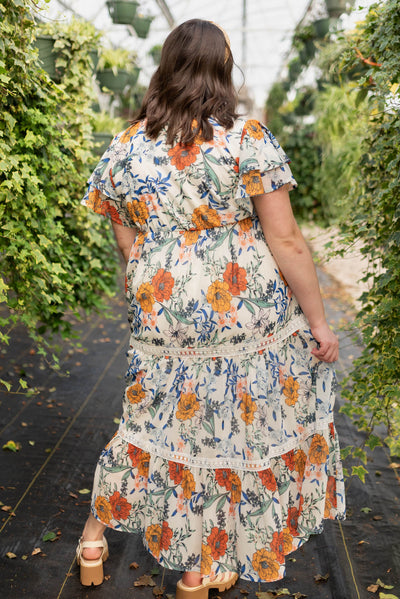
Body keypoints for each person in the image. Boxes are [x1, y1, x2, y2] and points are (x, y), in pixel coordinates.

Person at [77, 18, 345, 596]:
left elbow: (125, 238)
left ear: (168, 68)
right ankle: (204, 567)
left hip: (162, 309)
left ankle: (94, 539)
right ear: (221, 70)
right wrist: (318, 321)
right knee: (227, 429)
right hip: (240, 312)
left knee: (150, 422)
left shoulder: (126, 145)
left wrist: (153, 279)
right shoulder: (246, 139)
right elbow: (288, 241)